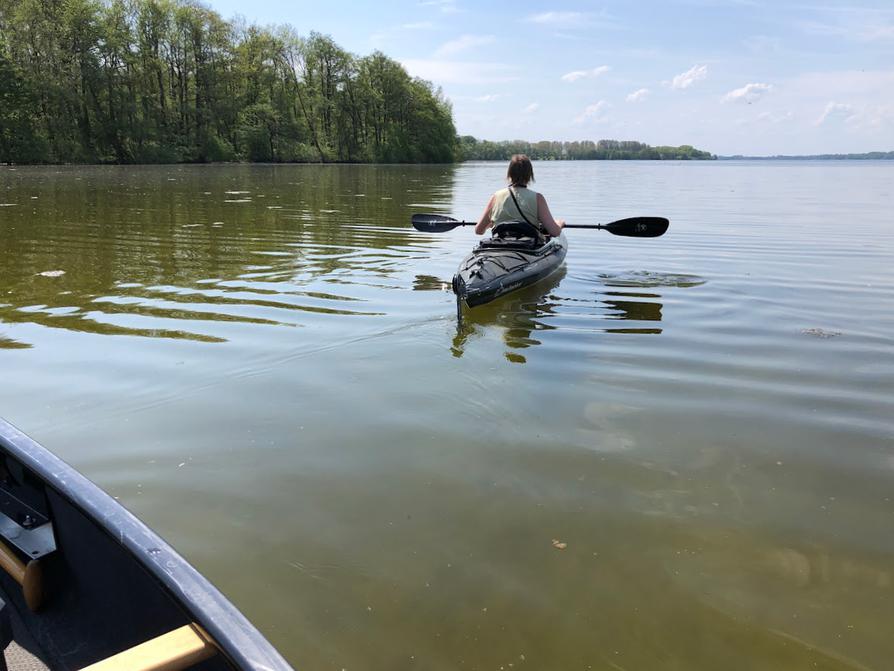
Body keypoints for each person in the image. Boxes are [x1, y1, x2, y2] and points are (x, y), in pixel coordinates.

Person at [475, 154, 566, 237]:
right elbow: (555, 232)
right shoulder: (538, 198)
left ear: (509, 173)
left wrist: (489, 225)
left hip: (500, 245)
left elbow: (479, 230)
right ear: (530, 175)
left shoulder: (496, 197)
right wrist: (559, 224)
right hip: (527, 247)